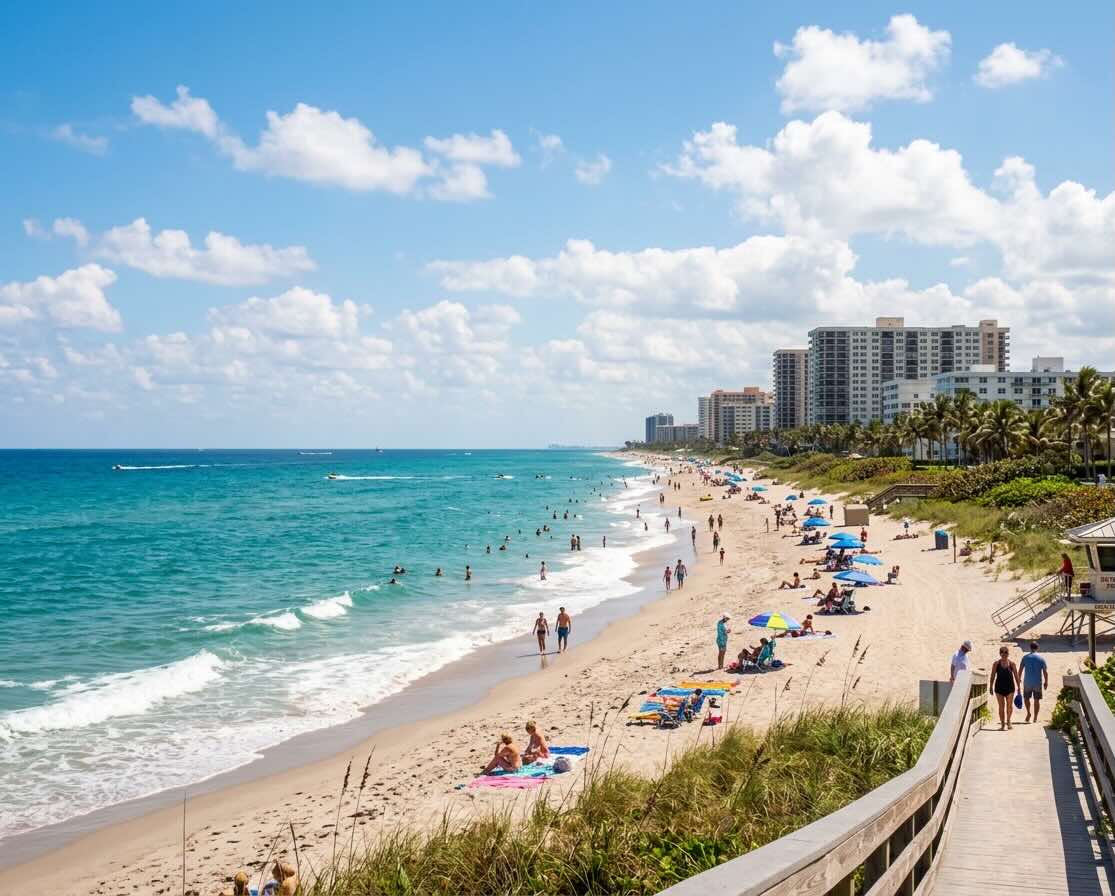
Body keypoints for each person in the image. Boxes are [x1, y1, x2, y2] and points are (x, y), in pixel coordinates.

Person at [989, 646, 1020, 730]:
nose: (1004, 654)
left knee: (1009, 706)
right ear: (1000, 654)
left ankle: (1009, 721)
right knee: (1001, 706)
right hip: (999, 688)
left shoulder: (1012, 664)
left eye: (1006, 652)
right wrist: (991, 686)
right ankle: (1002, 724)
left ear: (1008, 653)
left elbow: (1016, 676)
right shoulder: (996, 664)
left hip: (1010, 688)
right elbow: (992, 676)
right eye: (1002, 652)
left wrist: (1019, 687)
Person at [1019, 641, 1049, 722]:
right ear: (1037, 648)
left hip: (1027, 682)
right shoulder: (1041, 658)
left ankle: (1028, 713)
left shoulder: (1025, 657)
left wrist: (1019, 679)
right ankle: (1035, 717)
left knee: (1026, 698)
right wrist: (1046, 682)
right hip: (1037, 683)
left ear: (1030, 648)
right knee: (1036, 700)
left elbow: (1020, 669)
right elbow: (1045, 672)